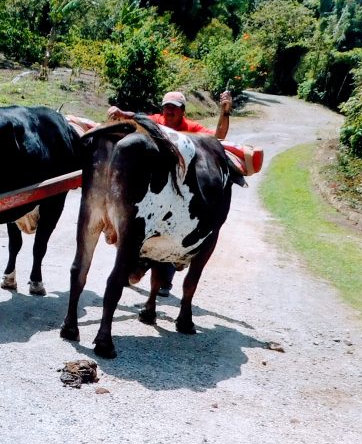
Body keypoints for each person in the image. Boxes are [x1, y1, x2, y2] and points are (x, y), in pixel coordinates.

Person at [106, 89, 260, 297]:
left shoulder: (191, 129)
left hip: (179, 189)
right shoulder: (155, 121)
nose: (169, 112)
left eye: (175, 108)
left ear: (183, 111)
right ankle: (132, 268)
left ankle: (164, 281)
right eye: (167, 107)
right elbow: (136, 118)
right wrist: (121, 113)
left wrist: (224, 113)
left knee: (174, 232)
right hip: (154, 188)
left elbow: (217, 138)